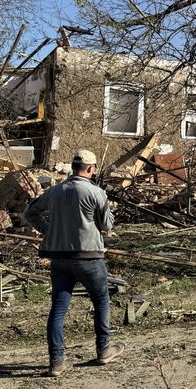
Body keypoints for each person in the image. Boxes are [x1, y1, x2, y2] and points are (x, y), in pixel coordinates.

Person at [24, 149, 124, 377]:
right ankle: (104, 350)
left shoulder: (54, 191)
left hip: (59, 258)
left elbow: (30, 213)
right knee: (101, 300)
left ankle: (57, 361)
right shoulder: (96, 192)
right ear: (90, 168)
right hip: (89, 257)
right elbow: (107, 225)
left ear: (72, 167)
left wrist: (49, 230)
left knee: (59, 308)